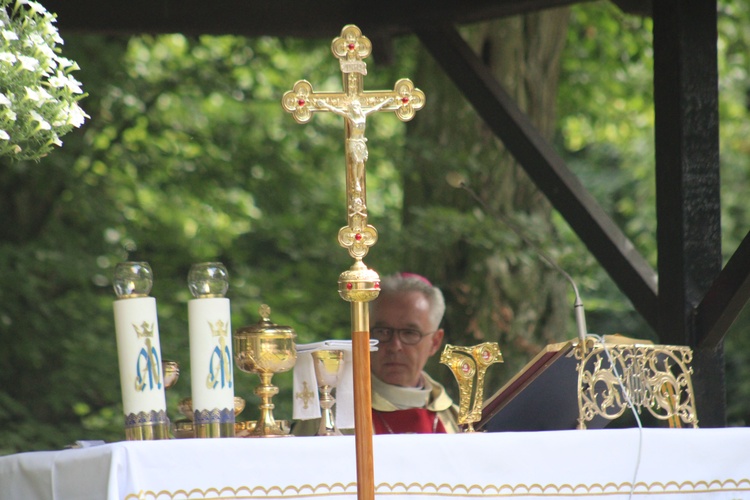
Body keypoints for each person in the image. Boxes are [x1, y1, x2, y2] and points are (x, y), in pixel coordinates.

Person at [369, 272, 459, 434]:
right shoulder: (338, 414)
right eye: (383, 331)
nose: (395, 346)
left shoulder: (458, 422)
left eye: (410, 333)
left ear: (435, 342)